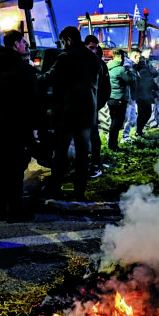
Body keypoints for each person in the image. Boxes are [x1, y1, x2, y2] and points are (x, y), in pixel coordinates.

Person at [0, 30, 39, 222]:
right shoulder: (24, 69)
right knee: (16, 169)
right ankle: (15, 210)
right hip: (18, 127)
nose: (25, 45)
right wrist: (35, 126)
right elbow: (33, 101)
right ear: (15, 44)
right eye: (23, 42)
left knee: (1, 168)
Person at [38, 26, 100, 201]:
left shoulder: (65, 57)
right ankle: (79, 192)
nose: (62, 45)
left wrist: (31, 76)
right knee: (82, 155)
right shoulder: (93, 58)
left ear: (69, 40)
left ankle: (55, 189)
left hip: (68, 114)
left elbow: (48, 78)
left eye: (63, 41)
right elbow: (98, 84)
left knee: (60, 152)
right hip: (88, 114)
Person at [84, 35, 110, 178]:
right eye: (90, 48)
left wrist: (96, 106)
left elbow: (106, 90)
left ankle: (95, 164)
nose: (93, 51)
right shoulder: (79, 63)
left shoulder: (101, 65)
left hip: (92, 109)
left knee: (94, 136)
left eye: (95, 48)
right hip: (79, 108)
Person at [129, 48, 159, 137]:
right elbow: (148, 81)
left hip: (144, 95)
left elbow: (152, 76)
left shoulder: (141, 69)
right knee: (144, 114)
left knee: (145, 114)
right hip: (143, 95)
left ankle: (139, 131)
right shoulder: (141, 70)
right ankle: (138, 131)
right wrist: (154, 87)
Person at [107, 49, 133, 151]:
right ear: (121, 57)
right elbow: (130, 79)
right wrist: (130, 70)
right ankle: (113, 145)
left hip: (111, 98)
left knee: (114, 121)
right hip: (119, 99)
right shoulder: (121, 69)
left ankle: (111, 144)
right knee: (117, 123)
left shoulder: (108, 67)